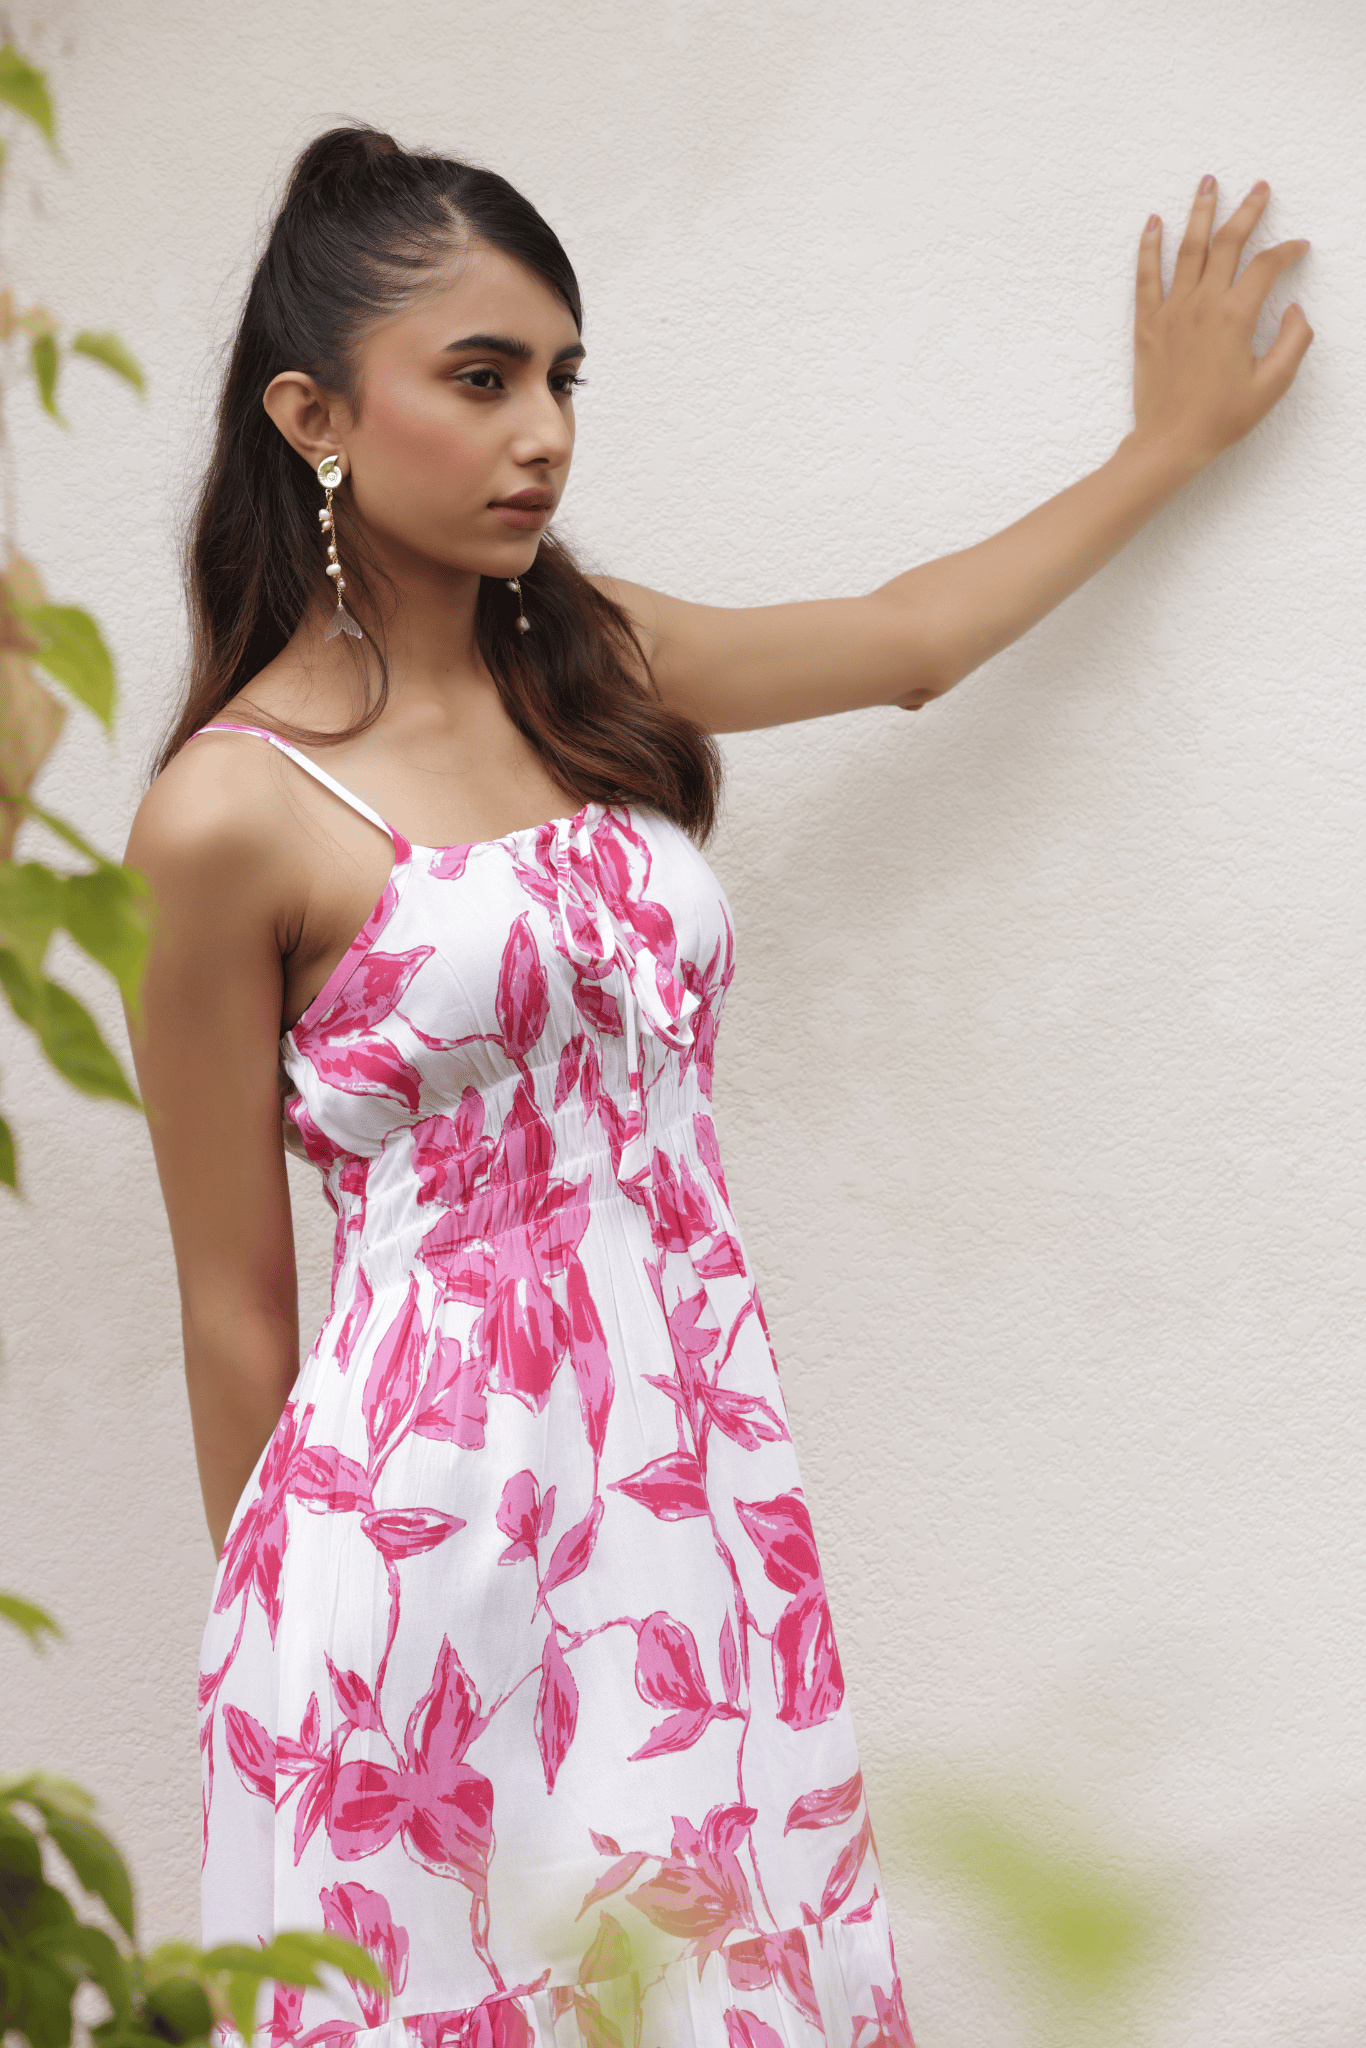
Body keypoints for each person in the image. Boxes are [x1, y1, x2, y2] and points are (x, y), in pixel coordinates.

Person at [125, 126, 1311, 2048]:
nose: (541, 436)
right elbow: (232, 1308)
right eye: (480, 378)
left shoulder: (588, 660)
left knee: (725, 1985)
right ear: (312, 416)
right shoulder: (225, 816)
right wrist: (285, 1680)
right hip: (414, 1544)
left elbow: (910, 645)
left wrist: (1162, 446)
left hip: (687, 1495)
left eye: (562, 379)